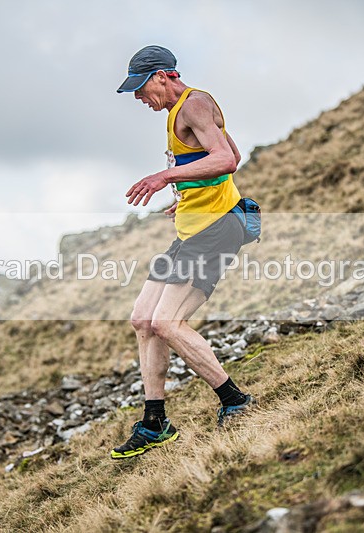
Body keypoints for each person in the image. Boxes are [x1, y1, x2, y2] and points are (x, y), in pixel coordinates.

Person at [111, 45, 256, 459]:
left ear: (162, 76)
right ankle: (154, 422)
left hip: (216, 228)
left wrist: (166, 176)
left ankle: (236, 401)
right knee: (143, 319)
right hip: (194, 228)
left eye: (141, 88)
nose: (140, 98)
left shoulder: (194, 103)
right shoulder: (181, 111)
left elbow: (225, 160)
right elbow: (230, 155)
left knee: (167, 322)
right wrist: (188, 192)